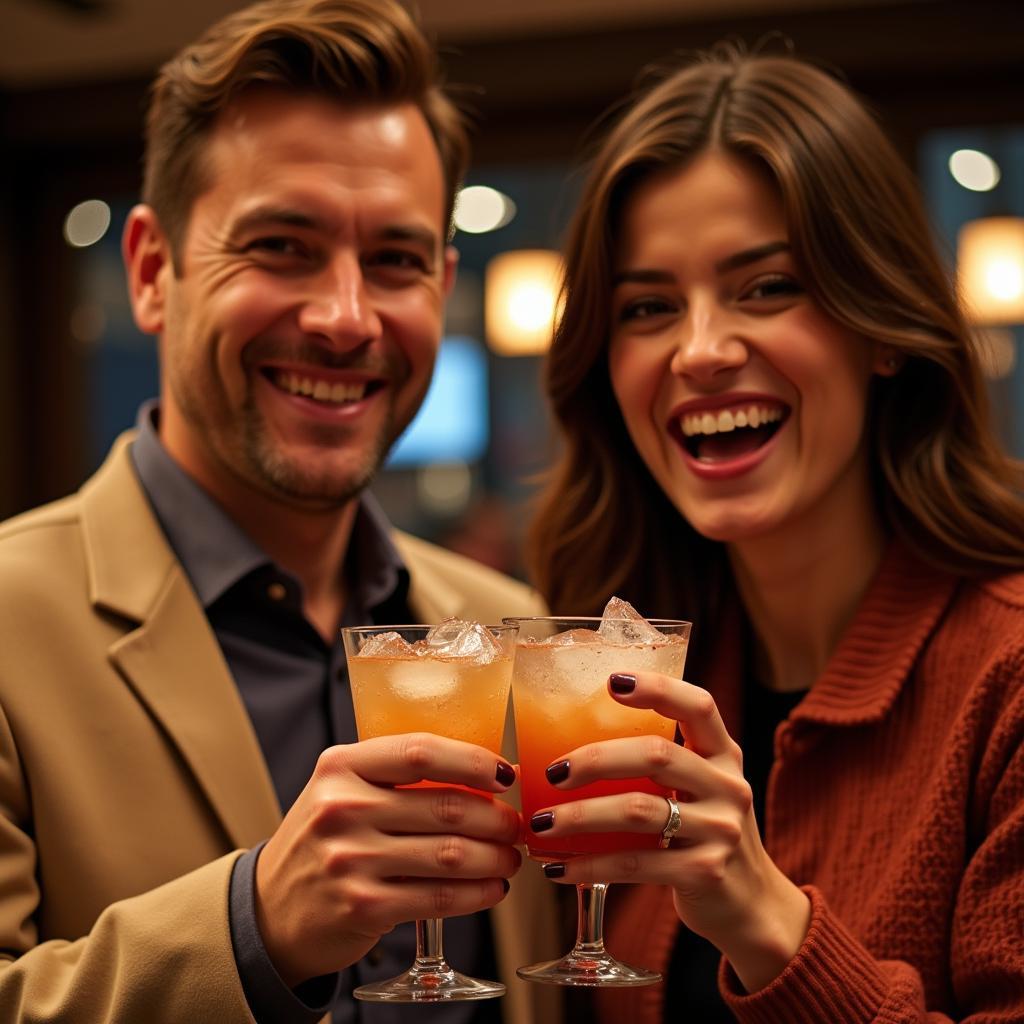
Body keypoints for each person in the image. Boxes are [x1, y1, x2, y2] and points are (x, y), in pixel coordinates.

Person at [0, 2, 563, 1022]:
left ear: (440, 284)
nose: (345, 317)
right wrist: (252, 927)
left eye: (394, 261)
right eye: (281, 245)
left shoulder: (511, 624)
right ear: (150, 270)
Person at [525, 43, 1024, 1021]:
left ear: (881, 329)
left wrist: (767, 924)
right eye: (647, 308)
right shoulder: (629, 671)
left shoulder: (1005, 672)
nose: (701, 349)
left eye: (766, 287)